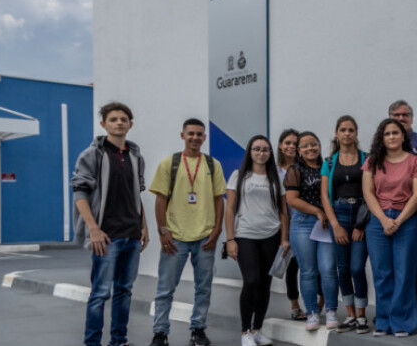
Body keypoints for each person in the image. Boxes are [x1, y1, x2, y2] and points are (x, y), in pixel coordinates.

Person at [73, 102, 149, 346]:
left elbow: (136, 194)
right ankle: (92, 342)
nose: (119, 122)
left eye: (123, 119)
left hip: (131, 234)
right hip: (106, 237)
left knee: (124, 292)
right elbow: (79, 194)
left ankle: (119, 341)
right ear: (103, 124)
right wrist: (93, 230)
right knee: (100, 294)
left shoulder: (136, 156)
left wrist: (144, 226)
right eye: (113, 119)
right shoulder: (91, 154)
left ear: (130, 125)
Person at [149, 118, 226, 346]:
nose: (195, 138)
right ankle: (160, 333)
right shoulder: (169, 164)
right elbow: (160, 199)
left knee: (203, 288)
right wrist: (163, 231)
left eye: (199, 134)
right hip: (175, 237)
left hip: (205, 237)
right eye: (190, 133)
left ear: (204, 137)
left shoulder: (213, 165)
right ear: (182, 135)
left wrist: (217, 229)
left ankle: (198, 329)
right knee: (165, 289)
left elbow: (219, 200)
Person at [364, 118, 417, 337]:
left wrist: (398, 221)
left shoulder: (415, 162)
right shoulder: (372, 161)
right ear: (382, 138)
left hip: (407, 221)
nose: (391, 137)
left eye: (395, 133)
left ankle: (402, 323)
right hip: (377, 222)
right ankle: (383, 321)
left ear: (403, 136)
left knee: (405, 273)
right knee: (382, 274)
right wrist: (383, 220)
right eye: (387, 134)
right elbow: (368, 193)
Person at [225, 135, 290, 346]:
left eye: (265, 149)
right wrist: (230, 240)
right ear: (250, 151)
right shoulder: (239, 175)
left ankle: (257, 329)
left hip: (271, 236)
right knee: (251, 281)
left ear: (270, 153)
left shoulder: (275, 177)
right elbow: (230, 209)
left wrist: (284, 239)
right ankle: (245, 331)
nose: (261, 153)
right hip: (245, 235)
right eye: (257, 149)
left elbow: (283, 211)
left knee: (264, 284)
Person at [285, 131, 340, 331]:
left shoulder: (328, 165)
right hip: (303, 223)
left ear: (319, 145)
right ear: (299, 150)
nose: (310, 148)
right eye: (305, 146)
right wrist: (318, 211)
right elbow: (292, 200)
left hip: (326, 224)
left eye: (313, 144)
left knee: (327, 269)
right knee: (307, 271)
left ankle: (331, 310)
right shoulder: (295, 169)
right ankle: (312, 313)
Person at [321, 116, 370, 333]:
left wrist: (360, 225)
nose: (347, 133)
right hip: (338, 214)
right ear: (336, 133)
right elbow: (324, 196)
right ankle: (350, 315)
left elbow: (371, 192)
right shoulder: (329, 162)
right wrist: (335, 224)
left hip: (361, 214)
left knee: (358, 267)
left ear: (356, 133)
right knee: (343, 268)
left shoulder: (367, 159)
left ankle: (362, 315)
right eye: (343, 129)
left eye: (351, 129)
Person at [276, 129, 307, 321]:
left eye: (295, 143)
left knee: (312, 266)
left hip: (304, 222)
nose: (291, 147)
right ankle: (294, 304)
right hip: (281, 223)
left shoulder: (305, 167)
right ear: (280, 145)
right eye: (287, 143)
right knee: (291, 266)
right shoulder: (274, 170)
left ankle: (318, 302)